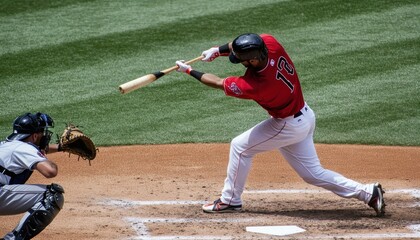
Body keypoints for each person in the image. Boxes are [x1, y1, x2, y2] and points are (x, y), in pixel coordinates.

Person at [174, 33, 386, 216]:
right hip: (305, 115)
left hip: (287, 126)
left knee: (240, 147)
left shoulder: (258, 84)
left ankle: (230, 200)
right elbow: (248, 40)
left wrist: (189, 71)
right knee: (312, 174)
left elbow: (219, 83)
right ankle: (368, 193)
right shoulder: (270, 44)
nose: (240, 63)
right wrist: (217, 50)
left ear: (254, 61)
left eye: (242, 61)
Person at [0, 112, 65, 239]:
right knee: (52, 195)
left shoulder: (8, 145)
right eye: (42, 132)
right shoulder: (24, 148)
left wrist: (61, 147)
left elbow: (37, 151)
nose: (45, 135)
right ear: (34, 136)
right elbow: (50, 171)